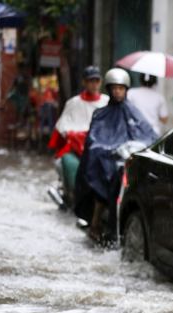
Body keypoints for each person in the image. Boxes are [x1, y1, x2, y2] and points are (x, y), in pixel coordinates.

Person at [74, 68, 156, 243]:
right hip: (106, 161)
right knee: (102, 179)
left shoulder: (134, 113)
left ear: (126, 89)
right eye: (115, 88)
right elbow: (94, 141)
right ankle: (95, 223)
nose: (118, 91)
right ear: (109, 89)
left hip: (126, 160)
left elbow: (148, 135)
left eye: (121, 88)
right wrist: (106, 150)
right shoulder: (101, 114)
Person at [48, 65, 109, 207]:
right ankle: (72, 193)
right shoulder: (74, 103)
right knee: (69, 164)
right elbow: (62, 125)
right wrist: (73, 135)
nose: (94, 84)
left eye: (96, 81)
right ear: (84, 82)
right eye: (90, 81)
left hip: (100, 146)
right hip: (76, 148)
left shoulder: (106, 102)